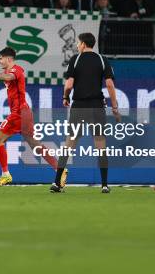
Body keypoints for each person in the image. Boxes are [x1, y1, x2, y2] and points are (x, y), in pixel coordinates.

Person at [0, 47, 58, 186]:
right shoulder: (6, 72)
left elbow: (7, 77)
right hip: (25, 113)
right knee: (34, 145)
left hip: (18, 113)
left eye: (0, 58)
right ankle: (60, 170)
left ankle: (5, 175)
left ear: (9, 59)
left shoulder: (17, 70)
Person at [51, 33, 120, 194]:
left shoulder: (76, 59)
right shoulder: (102, 59)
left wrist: (65, 96)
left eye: (78, 43)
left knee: (69, 144)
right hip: (96, 106)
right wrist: (115, 106)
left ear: (83, 44)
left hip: (79, 106)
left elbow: (69, 84)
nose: (77, 45)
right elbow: (109, 84)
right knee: (100, 144)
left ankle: (56, 183)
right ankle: (104, 185)